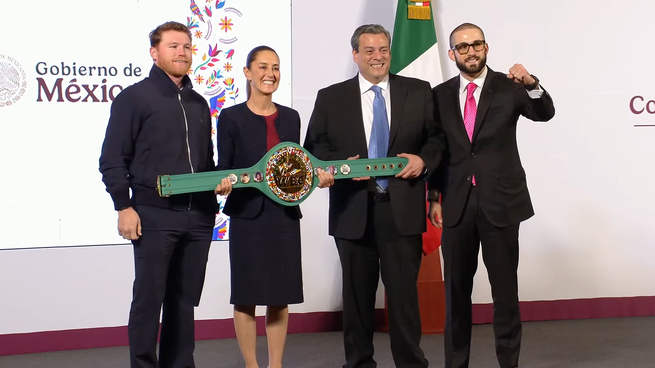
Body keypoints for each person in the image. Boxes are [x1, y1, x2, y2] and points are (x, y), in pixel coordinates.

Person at [303, 24, 445, 368]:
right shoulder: (330, 97)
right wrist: (337, 166)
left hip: (402, 211)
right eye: (369, 50)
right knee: (356, 301)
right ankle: (359, 363)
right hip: (353, 210)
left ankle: (411, 363)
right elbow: (314, 149)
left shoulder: (419, 90)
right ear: (355, 55)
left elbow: (438, 139)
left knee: (403, 300)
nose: (377, 56)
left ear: (390, 52)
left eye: (382, 49)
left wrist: (423, 160)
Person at [428, 23, 556, 368]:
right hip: (455, 205)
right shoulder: (438, 95)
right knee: (455, 295)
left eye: (477, 44)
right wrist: (435, 196)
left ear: (486, 48)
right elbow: (437, 151)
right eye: (463, 46)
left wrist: (532, 84)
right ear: (452, 53)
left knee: (505, 294)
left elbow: (544, 113)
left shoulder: (509, 87)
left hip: (501, 202)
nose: (471, 51)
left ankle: (508, 363)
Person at [98, 21, 218, 368]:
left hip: (198, 218)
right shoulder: (133, 98)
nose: (181, 52)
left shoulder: (199, 103)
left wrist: (217, 186)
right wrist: (124, 206)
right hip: (153, 215)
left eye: (186, 46)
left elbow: (206, 163)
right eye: (173, 46)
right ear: (154, 53)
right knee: (150, 299)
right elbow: (112, 159)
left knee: (183, 301)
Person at [213, 45, 334, 368]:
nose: (270, 74)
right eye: (263, 67)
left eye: (276, 68)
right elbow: (224, 167)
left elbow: (299, 168)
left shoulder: (291, 117)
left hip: (283, 216)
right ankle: (252, 365)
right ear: (248, 73)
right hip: (247, 216)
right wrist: (224, 184)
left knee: (280, 294)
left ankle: (275, 365)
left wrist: (322, 176)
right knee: (246, 295)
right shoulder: (230, 117)